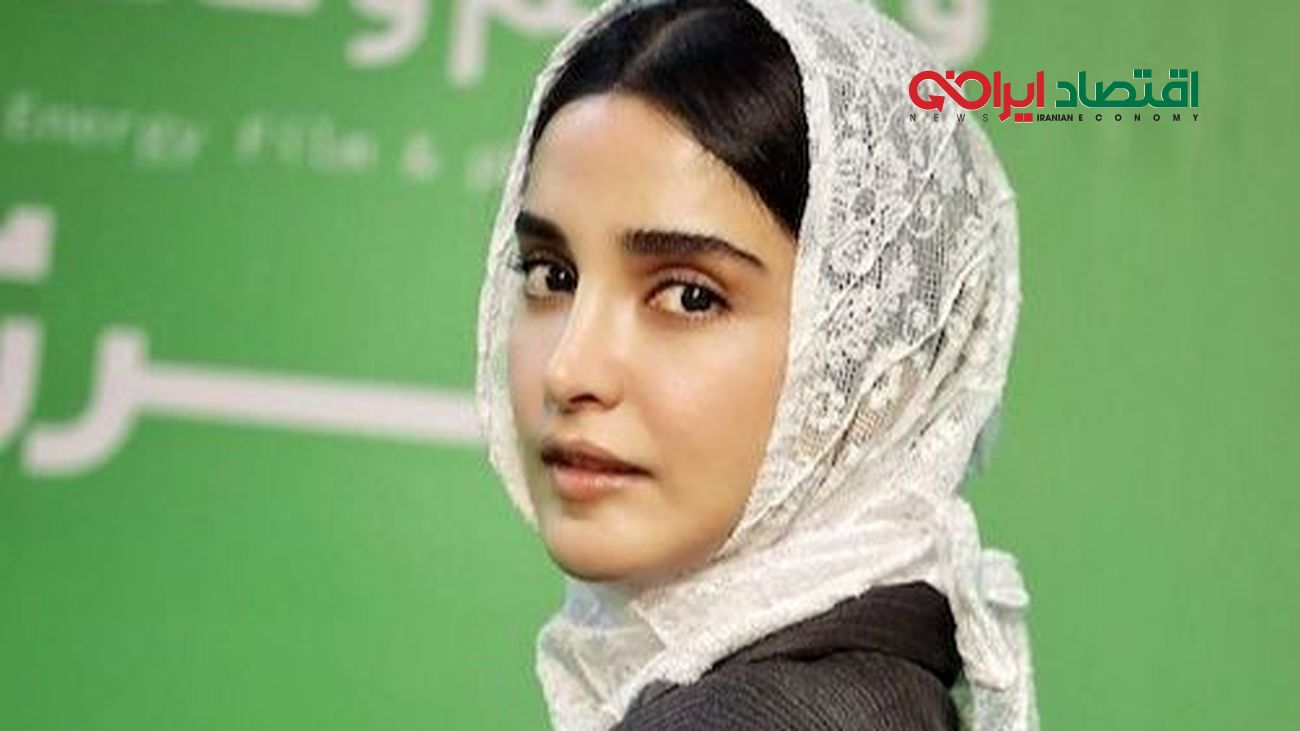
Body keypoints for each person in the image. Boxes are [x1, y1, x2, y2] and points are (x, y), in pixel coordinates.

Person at [474, 0, 1039, 728]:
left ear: (873, 365)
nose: (569, 370)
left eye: (688, 295)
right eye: (551, 276)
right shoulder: (872, 675)